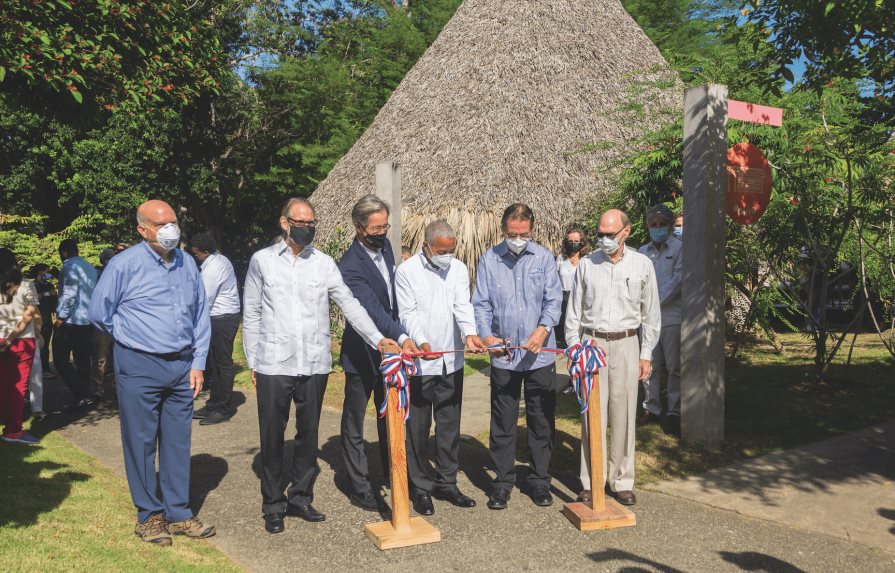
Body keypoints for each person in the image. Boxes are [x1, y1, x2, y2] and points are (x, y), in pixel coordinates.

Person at [243, 197, 399, 534]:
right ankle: (273, 504)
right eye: (302, 222)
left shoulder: (324, 263)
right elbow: (252, 312)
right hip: (274, 362)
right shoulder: (262, 262)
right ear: (285, 223)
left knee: (308, 436)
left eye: (312, 222)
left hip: (314, 363)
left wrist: (377, 338)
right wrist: (253, 360)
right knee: (272, 436)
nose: (308, 227)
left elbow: (350, 304)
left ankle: (300, 497)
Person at [88, 199, 215, 546]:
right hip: (139, 364)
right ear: (142, 230)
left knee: (177, 440)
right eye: (161, 224)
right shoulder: (123, 265)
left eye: (172, 221)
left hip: (182, 365)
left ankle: (178, 512)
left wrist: (199, 362)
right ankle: (150, 516)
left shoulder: (188, 263)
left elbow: (200, 315)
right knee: (141, 441)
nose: (170, 229)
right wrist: (131, 337)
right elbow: (99, 312)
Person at [565, 208, 660, 506]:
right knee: (590, 414)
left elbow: (651, 315)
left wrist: (646, 354)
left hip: (627, 343)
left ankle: (621, 480)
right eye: (601, 234)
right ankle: (590, 480)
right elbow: (574, 314)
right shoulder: (587, 265)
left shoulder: (642, 265)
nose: (604, 239)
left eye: (610, 234)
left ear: (626, 232)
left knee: (624, 414)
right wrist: (574, 349)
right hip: (592, 345)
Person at [472, 203, 563, 510]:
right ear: (504, 230)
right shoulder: (489, 259)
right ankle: (502, 483)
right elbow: (481, 304)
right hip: (504, 356)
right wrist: (486, 336)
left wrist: (544, 328)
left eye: (523, 233)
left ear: (531, 230)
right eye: (513, 233)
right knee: (503, 421)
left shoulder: (544, 258)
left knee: (541, 420)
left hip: (539, 357)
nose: (518, 238)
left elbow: (554, 300)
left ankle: (539, 481)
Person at [395, 220, 487, 516]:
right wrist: (421, 343)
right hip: (421, 365)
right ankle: (421, 487)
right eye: (442, 251)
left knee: (449, 426)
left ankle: (448, 482)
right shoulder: (406, 271)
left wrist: (470, 334)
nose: (447, 256)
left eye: (451, 250)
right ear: (426, 246)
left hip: (451, 362)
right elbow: (407, 313)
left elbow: (463, 305)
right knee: (418, 429)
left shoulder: (458, 269)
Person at [339, 194, 420, 512]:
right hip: (362, 353)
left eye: (385, 225)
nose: (382, 231)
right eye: (375, 227)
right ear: (359, 227)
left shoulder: (386, 248)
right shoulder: (349, 266)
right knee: (355, 421)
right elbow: (370, 308)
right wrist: (401, 334)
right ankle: (359, 485)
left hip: (394, 352)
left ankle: (397, 474)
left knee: (392, 415)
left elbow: (392, 298)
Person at [637, 204, 682, 435]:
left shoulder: (679, 248)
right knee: (649, 365)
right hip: (646, 320)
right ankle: (651, 408)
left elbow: (677, 280)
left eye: (661, 224)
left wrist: (652, 300)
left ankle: (674, 410)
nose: (657, 228)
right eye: (653, 225)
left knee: (674, 367)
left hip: (672, 317)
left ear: (669, 225)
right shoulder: (642, 251)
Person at [189, 232, 242, 426]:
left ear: (205, 251)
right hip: (218, 317)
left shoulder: (214, 267)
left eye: (196, 254)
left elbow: (205, 299)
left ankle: (222, 408)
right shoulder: (214, 261)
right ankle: (213, 404)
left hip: (223, 318)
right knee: (214, 361)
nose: (195, 257)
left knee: (222, 362)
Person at [0, 249, 41, 444]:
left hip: (1, 339)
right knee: (18, 385)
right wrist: (11, 337)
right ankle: (13, 430)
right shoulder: (27, 285)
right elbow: (28, 315)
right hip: (22, 340)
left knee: (4, 384)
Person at [54, 238, 98, 409]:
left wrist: (61, 316)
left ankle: (80, 392)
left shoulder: (69, 266)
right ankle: (83, 396)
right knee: (83, 359)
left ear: (64, 252)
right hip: (87, 320)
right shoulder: (90, 267)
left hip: (71, 320)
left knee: (59, 359)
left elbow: (70, 294)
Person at [555, 223, 589, 348]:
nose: (573, 244)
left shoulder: (587, 259)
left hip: (581, 297)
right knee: (564, 328)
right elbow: (555, 280)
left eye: (576, 241)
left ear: (582, 242)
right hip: (563, 297)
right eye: (570, 241)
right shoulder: (561, 259)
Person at [91, 248, 117, 400]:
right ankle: (116, 386)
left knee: (99, 357)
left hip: (102, 320)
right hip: (118, 320)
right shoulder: (123, 270)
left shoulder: (98, 274)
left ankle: (97, 388)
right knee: (118, 356)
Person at [30, 264, 57, 379]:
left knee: (45, 345)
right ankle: (37, 369)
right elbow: (37, 297)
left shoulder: (49, 285)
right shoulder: (32, 285)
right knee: (37, 344)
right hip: (37, 318)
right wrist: (48, 294)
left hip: (47, 316)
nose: (49, 274)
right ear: (40, 272)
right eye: (47, 271)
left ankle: (45, 368)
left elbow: (54, 297)